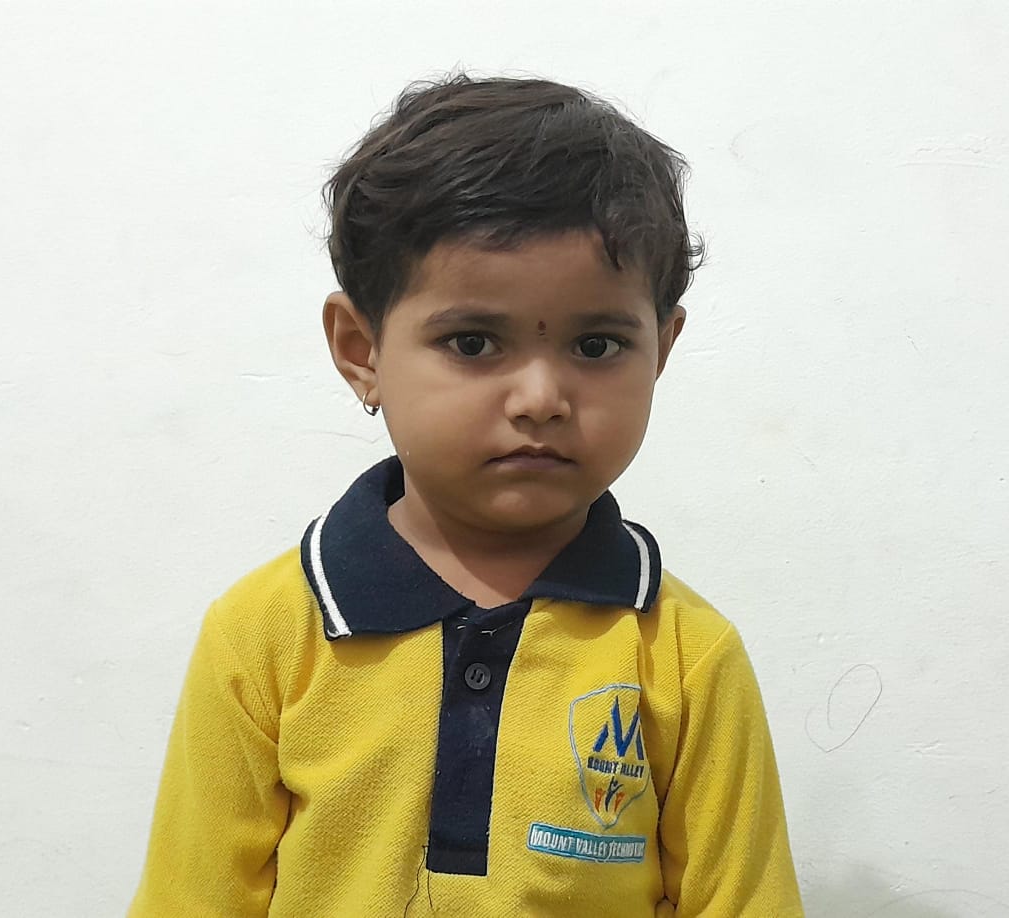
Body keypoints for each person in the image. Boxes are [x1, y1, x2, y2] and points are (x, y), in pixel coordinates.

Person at [129, 72, 804, 917]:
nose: (539, 398)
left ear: (660, 351)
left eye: (597, 345)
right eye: (474, 342)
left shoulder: (686, 656)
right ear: (361, 350)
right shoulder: (264, 637)